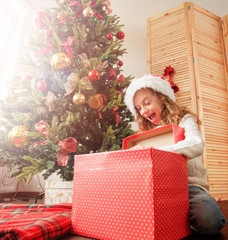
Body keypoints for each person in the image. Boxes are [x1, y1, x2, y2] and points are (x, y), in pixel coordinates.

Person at [124, 74, 227, 235]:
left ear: (162, 98)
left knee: (209, 220)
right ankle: (178, 222)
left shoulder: (184, 120)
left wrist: (156, 152)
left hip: (190, 187)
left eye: (147, 103)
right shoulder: (147, 133)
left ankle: (184, 222)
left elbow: (196, 144)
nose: (143, 111)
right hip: (159, 189)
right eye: (138, 108)